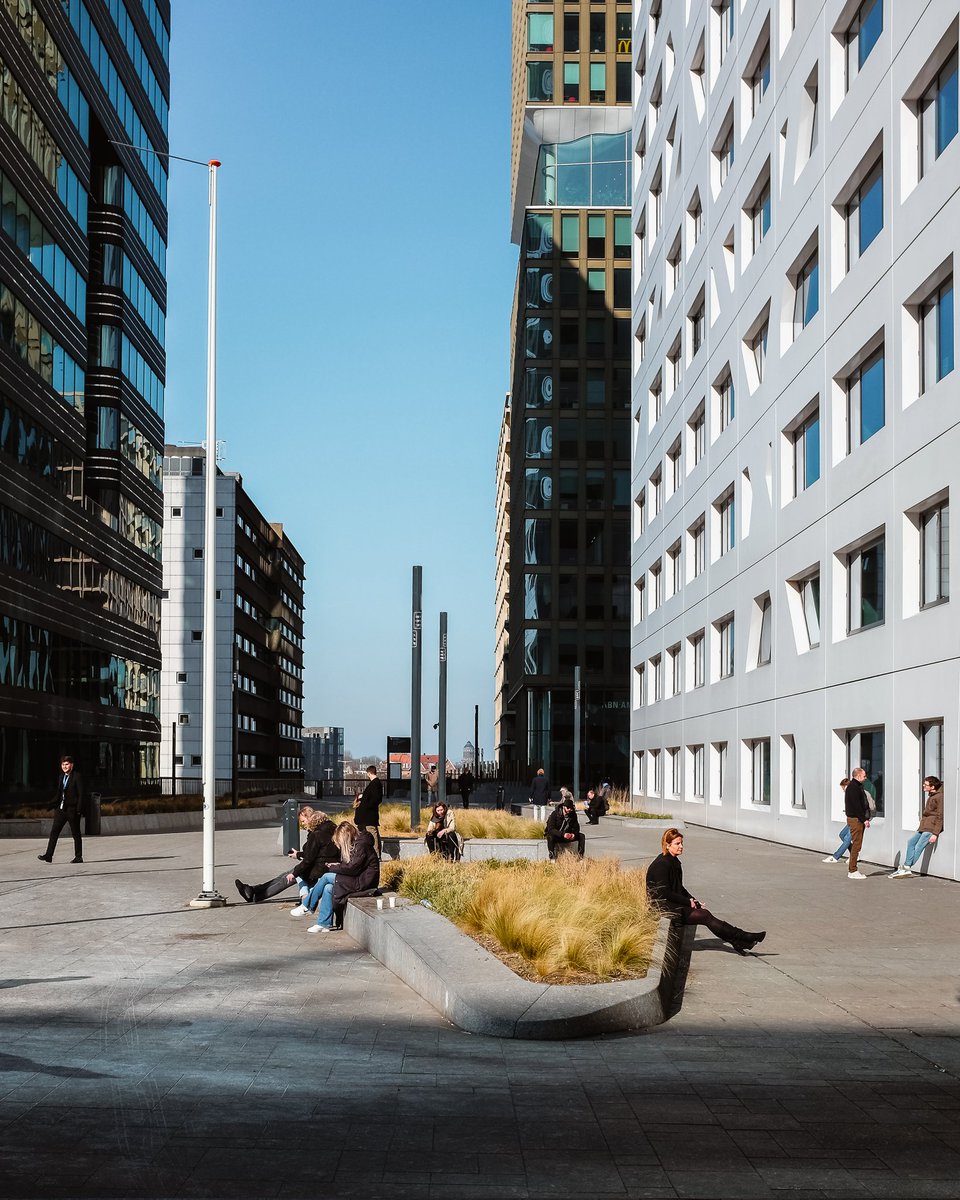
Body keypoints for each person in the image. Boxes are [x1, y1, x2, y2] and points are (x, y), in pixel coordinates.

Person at [646, 828, 765, 954]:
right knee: (705, 915)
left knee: (704, 914)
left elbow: (679, 888)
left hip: (671, 904)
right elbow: (664, 892)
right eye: (677, 844)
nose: (681, 846)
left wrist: (694, 901)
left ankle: (738, 940)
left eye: (681, 843)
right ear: (667, 845)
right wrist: (687, 901)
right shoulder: (662, 864)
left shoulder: (673, 861)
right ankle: (743, 937)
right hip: (662, 907)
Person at [234, 809, 337, 907]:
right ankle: (253, 890)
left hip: (319, 868)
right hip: (320, 865)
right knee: (285, 875)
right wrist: (298, 855)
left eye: (303, 821)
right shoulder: (326, 830)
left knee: (288, 878)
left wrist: (296, 866)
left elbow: (310, 857)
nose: (303, 824)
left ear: (311, 819)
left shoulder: (317, 834)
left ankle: (255, 895)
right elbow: (315, 853)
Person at [307, 823, 380, 934]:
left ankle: (308, 905)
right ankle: (323, 924)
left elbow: (352, 868)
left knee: (327, 876)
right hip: (358, 879)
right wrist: (337, 866)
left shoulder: (361, 845)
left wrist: (335, 867)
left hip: (363, 882)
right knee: (328, 888)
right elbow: (352, 866)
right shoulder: (358, 844)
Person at [890, 776, 944, 878]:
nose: (923, 786)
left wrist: (935, 834)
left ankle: (906, 867)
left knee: (919, 846)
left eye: (926, 784)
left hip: (931, 828)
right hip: (924, 826)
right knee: (911, 842)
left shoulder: (939, 797)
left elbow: (940, 816)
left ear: (932, 787)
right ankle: (906, 867)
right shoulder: (932, 796)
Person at [38, 754, 85, 864]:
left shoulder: (77, 776)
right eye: (63, 764)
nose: (64, 766)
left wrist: (79, 810)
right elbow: (59, 794)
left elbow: (81, 794)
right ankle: (48, 855)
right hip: (61, 809)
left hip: (72, 810)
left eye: (67, 764)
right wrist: (51, 805)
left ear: (72, 765)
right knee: (54, 831)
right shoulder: (61, 777)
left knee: (76, 833)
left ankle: (78, 856)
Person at [843, 768, 872, 879]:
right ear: (858, 776)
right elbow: (857, 806)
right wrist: (864, 819)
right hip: (856, 819)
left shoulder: (856, 786)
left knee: (856, 844)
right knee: (856, 844)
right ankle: (852, 870)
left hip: (857, 818)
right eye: (864, 776)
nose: (865, 778)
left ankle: (853, 869)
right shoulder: (854, 788)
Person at [354, 764, 383, 858]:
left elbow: (375, 798)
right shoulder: (376, 783)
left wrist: (366, 804)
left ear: (369, 773)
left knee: (372, 832)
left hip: (369, 813)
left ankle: (376, 854)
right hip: (369, 813)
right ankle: (376, 854)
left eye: (368, 774)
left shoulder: (375, 784)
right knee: (372, 832)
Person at [822, 779, 853, 863]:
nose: (842, 790)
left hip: (856, 820)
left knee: (847, 838)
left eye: (843, 787)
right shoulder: (849, 794)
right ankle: (854, 854)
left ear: (846, 786)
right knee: (842, 835)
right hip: (851, 820)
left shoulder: (853, 793)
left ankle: (836, 857)